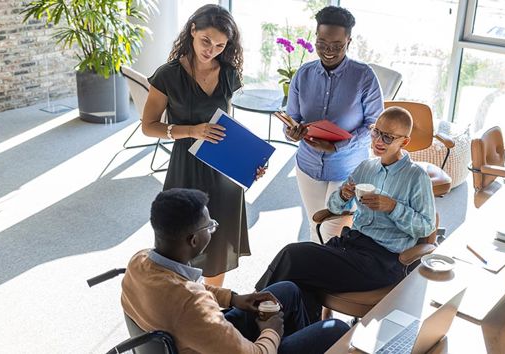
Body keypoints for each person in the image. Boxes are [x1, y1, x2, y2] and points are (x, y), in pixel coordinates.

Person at [256, 107, 436, 321]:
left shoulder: (416, 177)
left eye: (388, 137)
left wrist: (393, 207)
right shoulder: (366, 168)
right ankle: (299, 336)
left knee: (294, 255)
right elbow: (335, 207)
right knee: (300, 281)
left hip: (382, 260)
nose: (379, 140)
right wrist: (343, 194)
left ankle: (250, 311)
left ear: (404, 142)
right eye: (376, 132)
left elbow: (426, 227)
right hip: (350, 246)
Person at [121, 188, 349, 353]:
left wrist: (234, 299)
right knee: (336, 328)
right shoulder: (193, 305)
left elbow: (185, 287)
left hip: (189, 336)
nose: (213, 230)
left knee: (287, 289)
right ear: (193, 240)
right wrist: (270, 332)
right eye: (209, 227)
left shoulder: (139, 262)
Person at [141, 4, 262, 287]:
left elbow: (228, 125)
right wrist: (191, 130)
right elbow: (149, 126)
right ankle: (183, 306)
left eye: (220, 45)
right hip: (186, 168)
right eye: (206, 41)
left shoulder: (230, 73)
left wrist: (249, 162)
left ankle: (212, 310)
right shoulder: (168, 75)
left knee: (218, 246)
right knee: (180, 241)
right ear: (192, 30)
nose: (211, 50)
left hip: (222, 170)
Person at [285, 6, 384, 243]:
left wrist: (337, 147)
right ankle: (312, 277)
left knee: (333, 233)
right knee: (315, 225)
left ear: (349, 41)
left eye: (337, 45)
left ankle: (329, 277)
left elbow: (375, 126)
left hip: (347, 168)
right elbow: (292, 118)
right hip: (308, 165)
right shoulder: (303, 74)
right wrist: (292, 131)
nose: (328, 51)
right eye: (322, 43)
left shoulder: (364, 76)